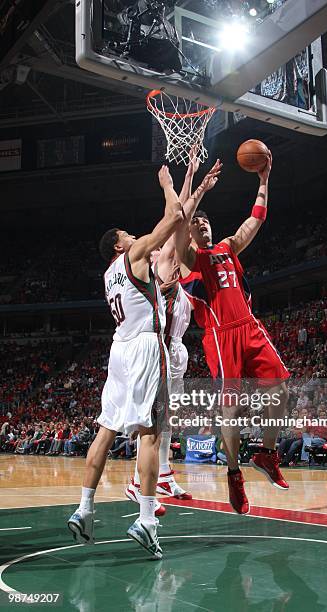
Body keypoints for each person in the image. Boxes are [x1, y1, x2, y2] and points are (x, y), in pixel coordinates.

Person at [67, 165, 184, 560]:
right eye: (127, 235)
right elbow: (175, 218)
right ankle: (147, 519)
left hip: (119, 349)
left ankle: (84, 509)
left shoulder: (108, 275)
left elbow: (140, 294)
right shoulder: (134, 253)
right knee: (150, 433)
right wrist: (168, 186)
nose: (134, 237)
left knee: (105, 430)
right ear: (120, 245)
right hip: (145, 348)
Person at [175, 151, 290, 515]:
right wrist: (198, 194)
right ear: (191, 231)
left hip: (249, 326)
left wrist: (264, 180)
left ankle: (267, 454)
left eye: (206, 221)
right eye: (197, 223)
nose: (203, 224)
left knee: (282, 387)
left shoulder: (226, 248)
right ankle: (234, 475)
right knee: (231, 409)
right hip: (221, 336)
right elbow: (179, 231)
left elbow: (255, 220)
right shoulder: (189, 261)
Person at [126, 158, 221, 510]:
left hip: (174, 349)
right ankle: (139, 481)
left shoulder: (168, 265)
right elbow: (178, 216)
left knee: (167, 420)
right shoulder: (155, 265)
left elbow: (179, 223)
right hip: (156, 349)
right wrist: (193, 179)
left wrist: (196, 182)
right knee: (152, 420)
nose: (155, 240)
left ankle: (163, 472)